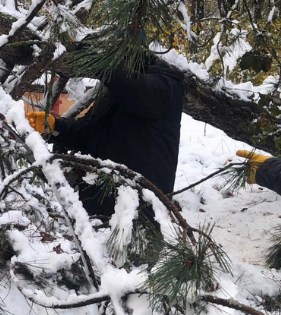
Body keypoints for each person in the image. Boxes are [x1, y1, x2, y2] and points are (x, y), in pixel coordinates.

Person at [26, 51, 185, 217]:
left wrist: (99, 57)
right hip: (97, 203)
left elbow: (134, 88)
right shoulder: (115, 92)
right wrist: (55, 126)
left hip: (139, 211)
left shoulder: (166, 84)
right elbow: (88, 132)